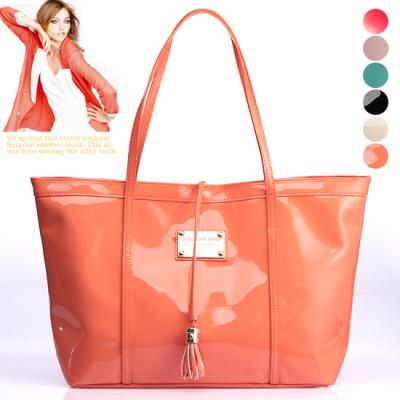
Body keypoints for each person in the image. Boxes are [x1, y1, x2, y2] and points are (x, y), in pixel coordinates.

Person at [0, 1, 119, 132]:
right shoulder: (36, 44)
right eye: (55, 21)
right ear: (45, 22)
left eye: (66, 21)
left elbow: (108, 91)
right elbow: (4, 12)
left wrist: (109, 115)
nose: (62, 27)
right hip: (60, 128)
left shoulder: (71, 54)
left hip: (85, 128)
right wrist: (37, 27)